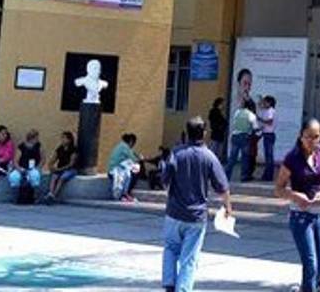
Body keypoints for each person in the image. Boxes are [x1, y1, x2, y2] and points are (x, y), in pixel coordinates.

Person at [160, 117, 232, 292]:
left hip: (174, 213)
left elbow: (165, 181)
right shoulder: (209, 157)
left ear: (187, 132)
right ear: (204, 133)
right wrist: (228, 207)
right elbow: (222, 187)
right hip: (196, 216)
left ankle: (169, 284)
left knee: (170, 249)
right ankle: (183, 289)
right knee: (189, 257)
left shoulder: (176, 153)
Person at [275, 117, 320, 292]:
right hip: (301, 216)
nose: (312, 141)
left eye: (316, 137)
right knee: (311, 265)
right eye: (308, 136)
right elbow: (278, 188)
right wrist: (295, 195)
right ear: (301, 136)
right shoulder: (292, 158)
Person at [224, 98, 257, 183]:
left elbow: (234, 123)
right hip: (245, 136)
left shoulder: (237, 112)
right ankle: (244, 176)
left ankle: (226, 175)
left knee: (232, 158)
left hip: (235, 135)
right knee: (245, 158)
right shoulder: (251, 114)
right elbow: (255, 127)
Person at [7, 129, 44, 202]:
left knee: (35, 175)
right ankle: (17, 196)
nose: (37, 139)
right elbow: (16, 161)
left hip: (33, 168)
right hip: (22, 167)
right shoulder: (21, 146)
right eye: (36, 137)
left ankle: (34, 196)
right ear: (32, 138)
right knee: (14, 176)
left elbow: (43, 159)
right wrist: (19, 169)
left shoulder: (39, 146)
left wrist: (38, 168)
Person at [43, 131, 77, 204]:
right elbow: (53, 159)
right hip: (60, 169)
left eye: (64, 138)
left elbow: (71, 164)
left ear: (69, 140)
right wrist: (51, 166)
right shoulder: (60, 149)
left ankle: (54, 195)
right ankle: (50, 193)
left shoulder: (73, 150)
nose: (62, 140)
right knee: (54, 177)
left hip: (70, 169)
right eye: (62, 138)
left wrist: (59, 169)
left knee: (62, 178)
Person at [108, 132, 143, 202]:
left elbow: (132, 154)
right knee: (136, 171)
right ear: (131, 141)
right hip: (117, 171)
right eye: (134, 143)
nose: (133, 146)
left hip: (113, 170)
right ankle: (126, 193)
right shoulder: (125, 147)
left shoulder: (121, 146)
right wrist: (140, 158)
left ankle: (123, 193)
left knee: (130, 169)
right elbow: (134, 159)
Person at [258, 95, 277, 182]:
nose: (264, 103)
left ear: (269, 103)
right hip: (266, 134)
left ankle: (269, 176)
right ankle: (266, 175)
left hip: (269, 134)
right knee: (268, 156)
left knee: (269, 156)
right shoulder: (266, 111)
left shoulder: (271, 111)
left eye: (265, 102)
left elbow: (269, 122)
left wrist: (260, 119)